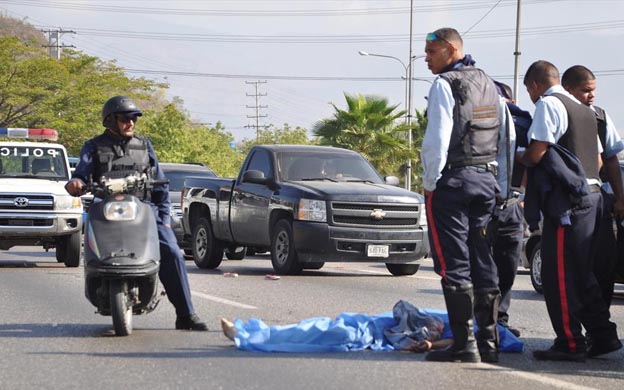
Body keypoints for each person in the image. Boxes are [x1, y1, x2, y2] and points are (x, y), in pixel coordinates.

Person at [65, 95, 208, 331]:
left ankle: (186, 314)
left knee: (172, 251)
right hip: (107, 210)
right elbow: (81, 173)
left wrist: (164, 220)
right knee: (95, 247)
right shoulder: (93, 146)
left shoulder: (144, 145)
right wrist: (76, 183)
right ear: (110, 121)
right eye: (125, 118)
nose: (131, 123)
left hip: (145, 210)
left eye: (134, 119)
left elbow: (160, 185)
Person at [420, 27, 512, 363]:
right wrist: (500, 183)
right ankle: (489, 345)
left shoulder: (446, 84)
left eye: (430, 52)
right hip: (486, 182)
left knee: (453, 263)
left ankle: (465, 345)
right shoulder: (490, 83)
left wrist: (430, 182)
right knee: (482, 258)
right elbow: (506, 138)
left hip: (454, 183)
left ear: (449, 49)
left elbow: (437, 140)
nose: (426, 59)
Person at [521, 60, 621, 361]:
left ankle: (570, 342)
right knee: (581, 274)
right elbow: (603, 160)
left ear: (535, 85)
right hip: (591, 199)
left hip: (568, 204)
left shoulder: (550, 104)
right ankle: (603, 336)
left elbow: (538, 151)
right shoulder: (590, 112)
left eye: (529, 91)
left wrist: (520, 159)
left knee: (558, 276)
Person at [561, 65, 624, 308]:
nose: (591, 96)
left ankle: (600, 320)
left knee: (604, 265)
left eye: (593, 91)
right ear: (569, 90)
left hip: (600, 202)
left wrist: (619, 198)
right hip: (572, 203)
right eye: (586, 90)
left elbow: (610, 159)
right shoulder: (560, 115)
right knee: (576, 267)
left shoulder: (599, 117)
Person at [488, 81, 531, 338]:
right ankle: (484, 322)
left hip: (513, 205)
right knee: (485, 268)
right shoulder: (478, 125)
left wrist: (523, 195)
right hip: (484, 204)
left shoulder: (523, 124)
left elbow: (531, 159)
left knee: (507, 266)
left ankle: (500, 321)